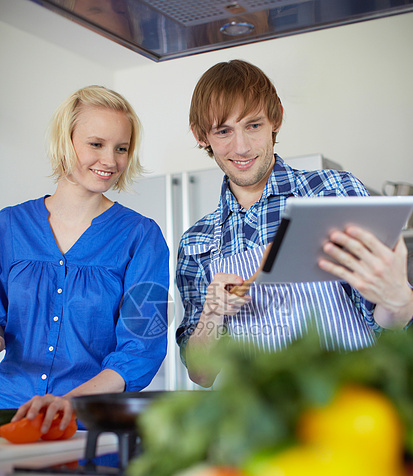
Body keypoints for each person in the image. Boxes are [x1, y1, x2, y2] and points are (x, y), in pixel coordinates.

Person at [176, 59, 413, 387]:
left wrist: (400, 299)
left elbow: (390, 323)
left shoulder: (332, 192)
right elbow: (201, 374)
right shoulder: (198, 241)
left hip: (352, 408)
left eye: (253, 125)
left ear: (276, 119)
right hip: (263, 426)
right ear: (202, 136)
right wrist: (212, 314)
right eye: (223, 130)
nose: (241, 146)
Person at [0, 85, 169, 433]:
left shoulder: (142, 237)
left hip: (91, 428)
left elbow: (141, 351)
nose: (110, 161)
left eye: (121, 149)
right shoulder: (8, 226)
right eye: (96, 144)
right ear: (65, 141)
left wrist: (70, 402)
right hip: (8, 419)